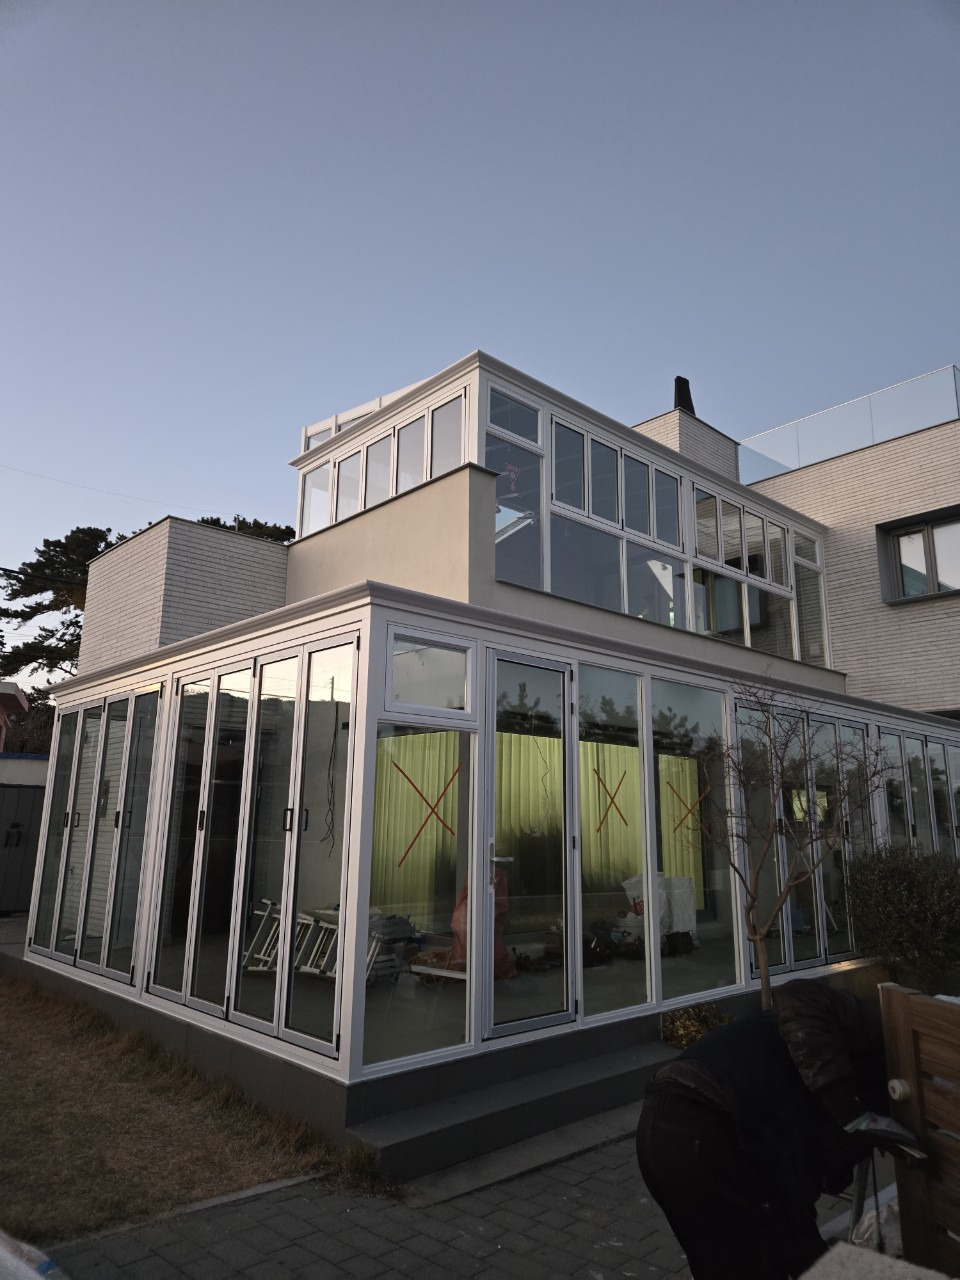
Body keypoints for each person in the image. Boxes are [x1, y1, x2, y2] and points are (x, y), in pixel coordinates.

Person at [635, 980, 904, 1280]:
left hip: (665, 1126)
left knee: (732, 1263)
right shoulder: (882, 1034)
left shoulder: (795, 1111)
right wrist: (851, 1114)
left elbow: (789, 1217)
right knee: (752, 1259)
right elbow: (794, 995)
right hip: (704, 1123)